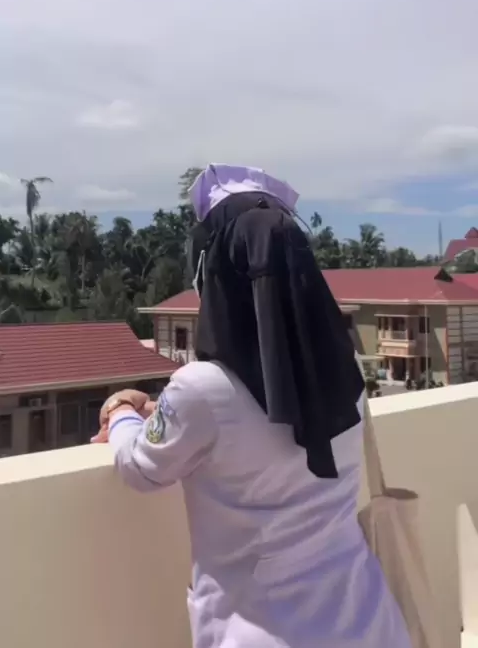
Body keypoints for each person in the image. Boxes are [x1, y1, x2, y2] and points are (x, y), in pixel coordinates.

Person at [93, 164, 411, 648]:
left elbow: (140, 469)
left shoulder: (201, 390)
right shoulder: (343, 374)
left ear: (216, 272)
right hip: (368, 623)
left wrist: (120, 410)